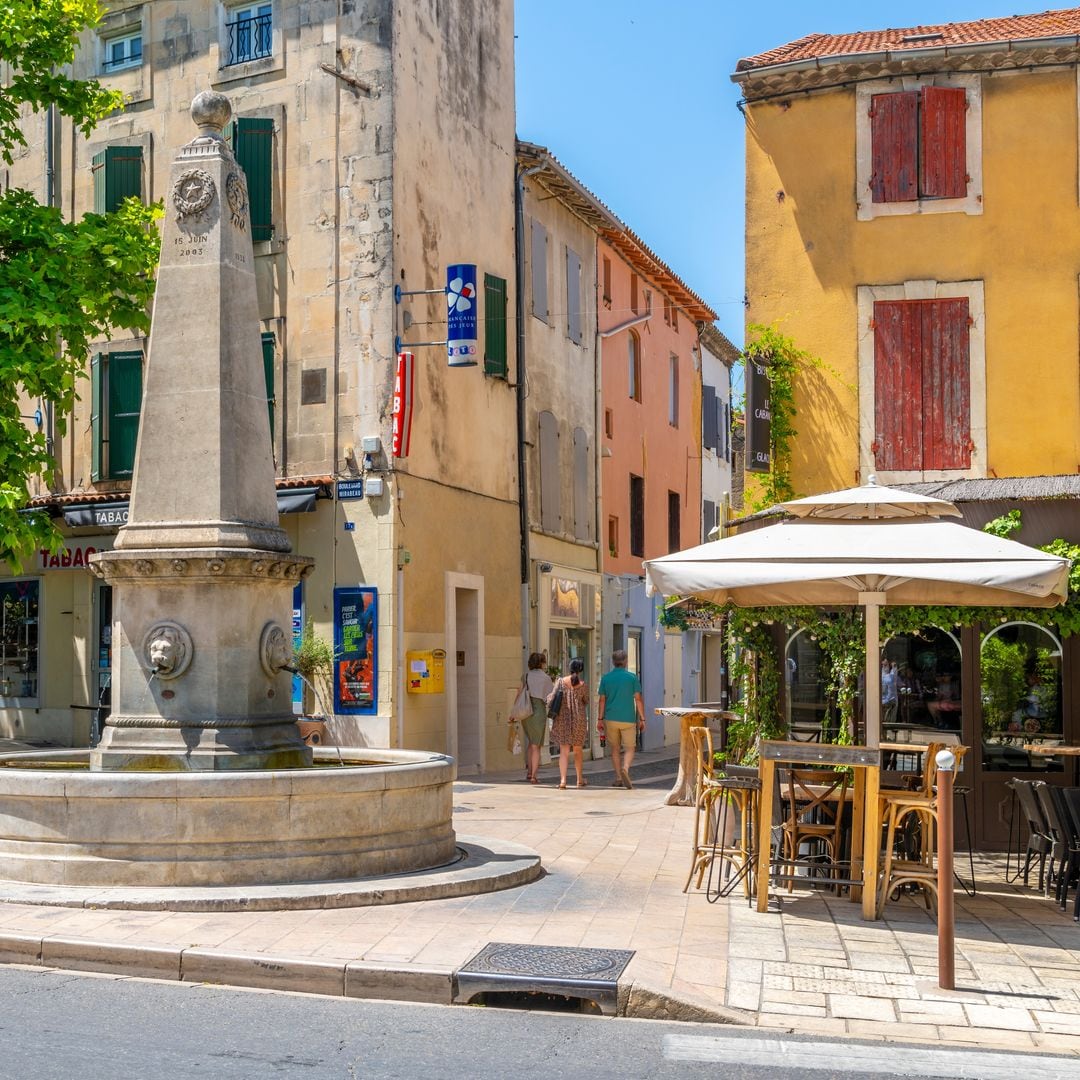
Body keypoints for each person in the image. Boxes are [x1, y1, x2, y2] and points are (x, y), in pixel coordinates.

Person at [596, 649, 644, 789]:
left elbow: (602, 700)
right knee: (630, 747)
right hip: (628, 718)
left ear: (613, 662)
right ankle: (626, 768)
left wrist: (599, 719)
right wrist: (642, 718)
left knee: (615, 749)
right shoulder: (632, 677)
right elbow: (638, 699)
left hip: (610, 718)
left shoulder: (606, 678)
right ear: (625, 661)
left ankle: (618, 777)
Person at [548, 657, 589, 789]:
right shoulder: (583, 684)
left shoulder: (560, 682)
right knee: (578, 750)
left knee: (564, 751)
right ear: (581, 669)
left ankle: (563, 781)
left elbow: (551, 698)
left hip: (562, 720)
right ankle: (579, 779)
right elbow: (586, 700)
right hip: (579, 720)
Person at [522, 651, 553, 783]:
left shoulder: (526, 676)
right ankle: (534, 775)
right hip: (539, 710)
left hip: (526, 711)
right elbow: (549, 697)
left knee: (531, 743)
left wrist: (513, 713)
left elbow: (519, 693)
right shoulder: (546, 678)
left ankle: (529, 772)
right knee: (536, 746)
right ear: (541, 663)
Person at [881, 659, 898, 730]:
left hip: (891, 701)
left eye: (886, 665)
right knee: (887, 722)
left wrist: (894, 668)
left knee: (890, 721)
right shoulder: (885, 676)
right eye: (884, 665)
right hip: (885, 702)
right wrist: (894, 667)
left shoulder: (889, 676)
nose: (885, 667)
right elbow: (892, 678)